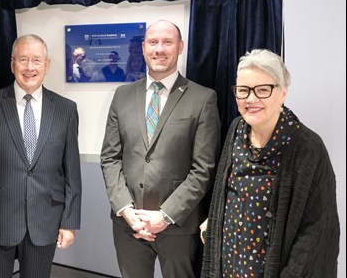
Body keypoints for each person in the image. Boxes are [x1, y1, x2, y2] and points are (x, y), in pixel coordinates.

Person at [200, 49, 340, 277]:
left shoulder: (307, 147)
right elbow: (225, 195)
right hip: (229, 265)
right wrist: (214, 221)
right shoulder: (236, 129)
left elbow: (316, 230)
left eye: (263, 90)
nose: (251, 99)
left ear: (283, 92)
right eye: (243, 91)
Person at [100, 20, 221, 278]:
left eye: (168, 42)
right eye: (153, 42)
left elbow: (204, 169)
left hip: (178, 225)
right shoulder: (121, 96)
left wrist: (165, 216)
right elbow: (110, 158)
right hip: (128, 225)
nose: (159, 49)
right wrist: (126, 210)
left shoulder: (203, 98)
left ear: (180, 47)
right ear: (143, 48)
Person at [0, 34, 82, 278]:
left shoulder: (66, 109)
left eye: (37, 60)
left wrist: (69, 222)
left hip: (45, 220)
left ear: (47, 65)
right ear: (12, 64)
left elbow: (71, 170)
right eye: (23, 60)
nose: (30, 67)